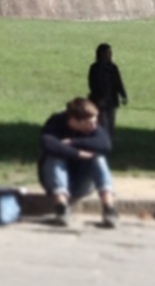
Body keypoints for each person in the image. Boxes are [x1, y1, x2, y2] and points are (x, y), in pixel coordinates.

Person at [39, 96, 118, 228]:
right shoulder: (56, 122)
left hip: (82, 182)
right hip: (55, 183)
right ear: (74, 121)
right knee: (54, 156)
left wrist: (72, 142)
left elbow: (105, 145)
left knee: (98, 158)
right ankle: (61, 209)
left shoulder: (93, 127)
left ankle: (109, 209)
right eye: (88, 123)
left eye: (95, 121)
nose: (93, 126)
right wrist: (77, 153)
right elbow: (47, 143)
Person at [86, 42, 127, 132]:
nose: (110, 55)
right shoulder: (95, 68)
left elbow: (118, 82)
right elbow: (92, 84)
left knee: (110, 124)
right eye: (107, 52)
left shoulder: (112, 68)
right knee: (102, 124)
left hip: (111, 100)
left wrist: (123, 95)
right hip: (99, 101)